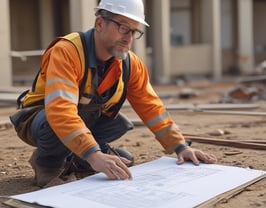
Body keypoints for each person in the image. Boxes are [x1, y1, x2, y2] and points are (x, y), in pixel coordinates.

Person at [10, 0, 217, 188]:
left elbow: (151, 107)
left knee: (119, 126)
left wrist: (180, 146)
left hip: (81, 120)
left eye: (134, 31)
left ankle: (75, 157)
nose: (128, 37)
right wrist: (93, 154)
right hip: (40, 120)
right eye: (123, 28)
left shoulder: (130, 63)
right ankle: (47, 163)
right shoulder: (68, 51)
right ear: (100, 23)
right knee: (58, 121)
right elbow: (60, 110)